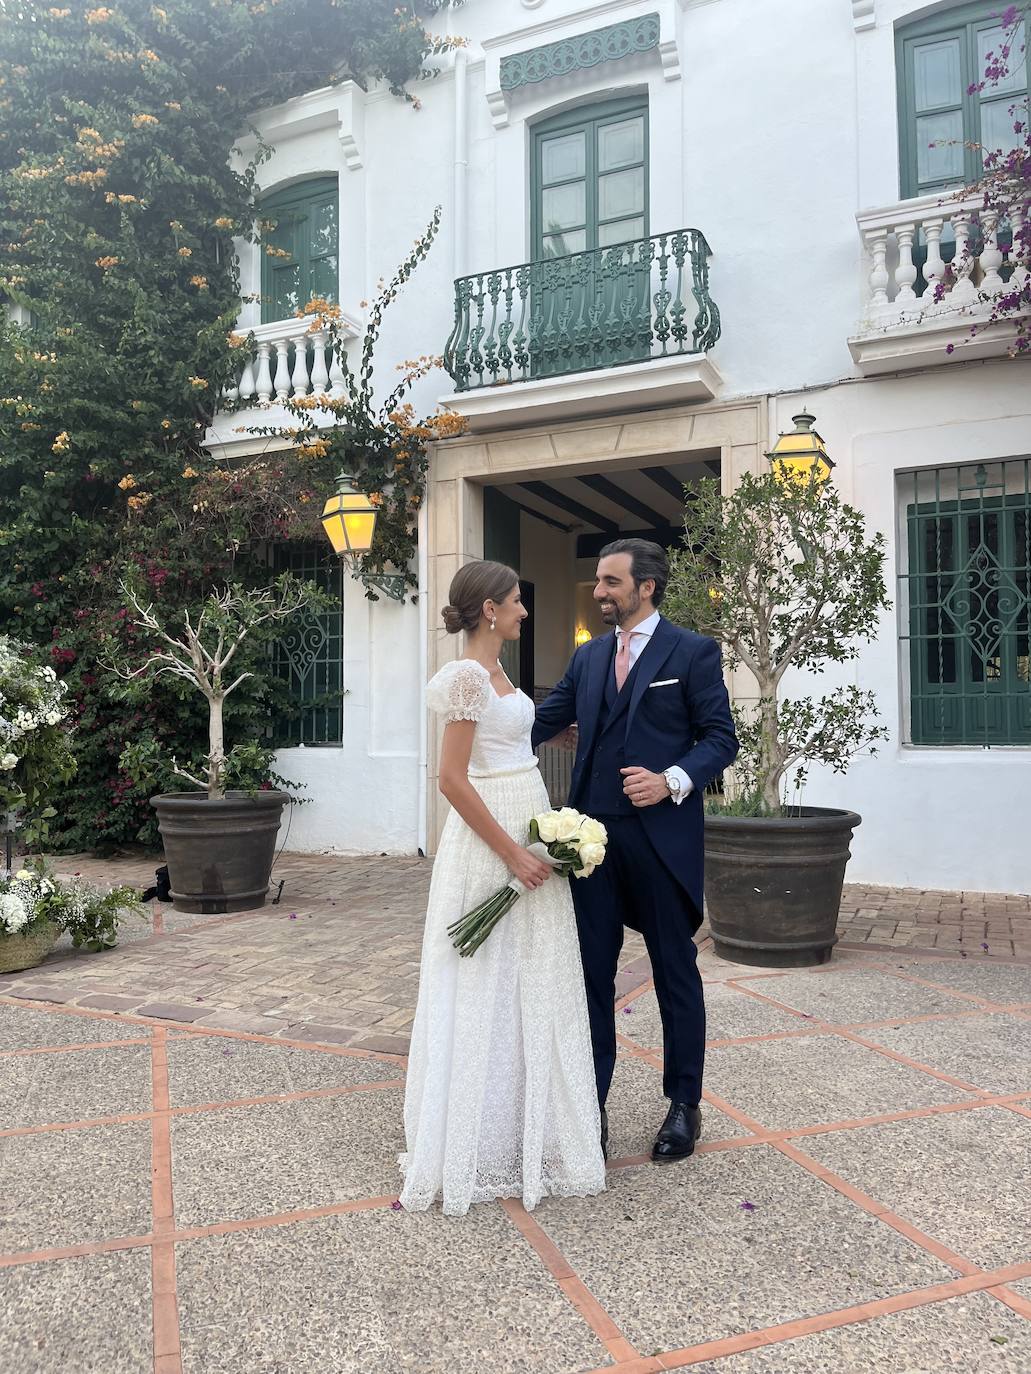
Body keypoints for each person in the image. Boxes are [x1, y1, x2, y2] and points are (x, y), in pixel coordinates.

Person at [399, 560, 606, 1216]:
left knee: (527, 978)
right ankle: (473, 1144)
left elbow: (504, 738)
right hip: (493, 845)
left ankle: (521, 1130)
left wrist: (549, 733)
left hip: (525, 821)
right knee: (486, 981)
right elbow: (453, 779)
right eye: (516, 601)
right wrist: (514, 853)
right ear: (490, 609)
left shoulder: (495, 673)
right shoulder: (465, 676)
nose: (522, 610)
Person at [532, 538, 738, 1164]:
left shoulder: (693, 652)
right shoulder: (589, 656)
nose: (600, 592)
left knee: (675, 970)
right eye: (598, 581)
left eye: (611, 582)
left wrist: (671, 779)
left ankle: (684, 1105)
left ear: (646, 586)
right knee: (591, 975)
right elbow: (542, 721)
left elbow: (719, 738)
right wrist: (481, 741)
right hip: (591, 843)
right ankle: (588, 1108)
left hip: (661, 840)